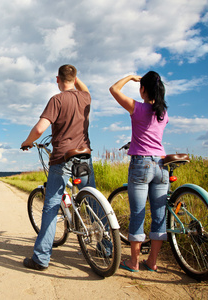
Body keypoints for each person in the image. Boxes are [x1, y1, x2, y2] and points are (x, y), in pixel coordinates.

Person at [21, 64, 95, 270]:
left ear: (57, 79)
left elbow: (39, 128)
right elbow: (85, 89)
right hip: (84, 156)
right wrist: (76, 77)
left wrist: (27, 142)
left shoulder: (57, 99)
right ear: (76, 78)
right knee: (93, 199)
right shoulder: (85, 97)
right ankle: (107, 247)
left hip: (62, 157)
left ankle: (41, 258)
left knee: (51, 205)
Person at [109, 71, 169, 272]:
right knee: (159, 215)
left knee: (138, 213)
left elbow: (114, 89)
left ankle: (134, 263)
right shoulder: (163, 113)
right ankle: (152, 261)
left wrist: (130, 77)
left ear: (143, 89)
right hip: (161, 165)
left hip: (141, 164)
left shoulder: (138, 108)